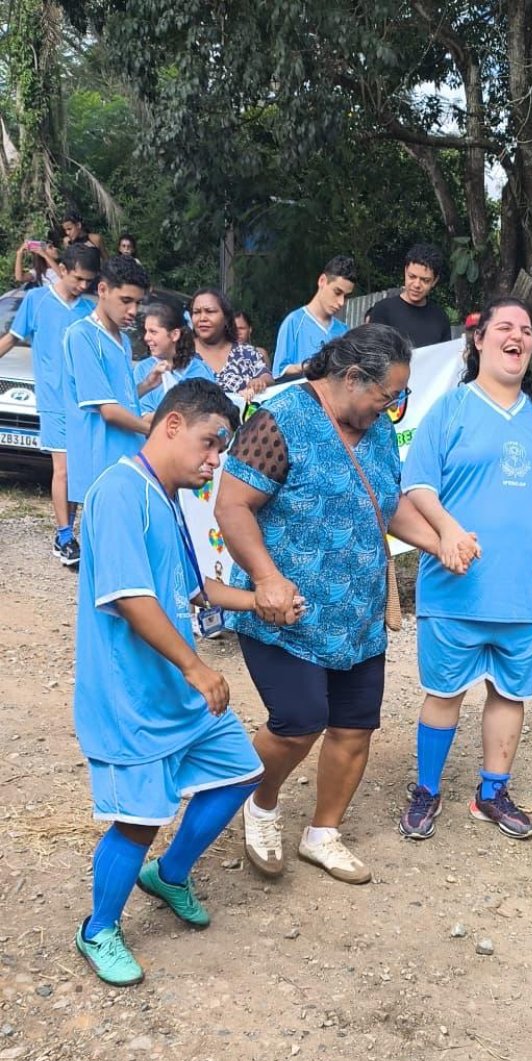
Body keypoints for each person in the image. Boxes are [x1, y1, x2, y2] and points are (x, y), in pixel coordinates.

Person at [215, 324, 476, 886]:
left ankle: (322, 834)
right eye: (387, 394)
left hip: (357, 618)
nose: (392, 406)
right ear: (351, 377)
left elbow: (384, 503)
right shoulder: (279, 419)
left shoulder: (376, 429)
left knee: (355, 728)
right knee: (297, 723)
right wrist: (266, 577)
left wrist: (440, 543)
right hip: (287, 614)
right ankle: (260, 802)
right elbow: (232, 505)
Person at [73, 380, 304, 987]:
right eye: (209, 444)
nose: (213, 460)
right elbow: (129, 597)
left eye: (220, 450)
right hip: (131, 697)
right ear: (171, 425)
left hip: (177, 693)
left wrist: (261, 600)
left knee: (241, 772)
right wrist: (196, 666)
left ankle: (169, 875)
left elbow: (195, 592)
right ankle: (98, 929)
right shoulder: (120, 491)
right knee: (138, 819)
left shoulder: (168, 497)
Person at [398, 295, 532, 842]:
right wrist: (449, 531)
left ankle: (492, 792)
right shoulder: (451, 409)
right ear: (478, 341)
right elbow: (418, 486)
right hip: (458, 586)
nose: (518, 336)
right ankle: (427, 791)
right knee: (444, 693)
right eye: (505, 327)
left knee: (511, 695)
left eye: (526, 330)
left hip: (525, 592)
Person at [0, 243, 100, 565]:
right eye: (79, 279)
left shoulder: (89, 311)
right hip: (53, 399)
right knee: (64, 469)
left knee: (78, 471)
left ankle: (67, 533)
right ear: (65, 269)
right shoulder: (36, 300)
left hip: (84, 403)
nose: (83, 286)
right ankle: (65, 535)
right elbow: (13, 338)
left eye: (89, 281)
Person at [63, 255, 157, 506]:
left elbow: (118, 397)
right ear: (103, 290)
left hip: (127, 456)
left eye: (138, 303)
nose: (133, 311)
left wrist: (146, 385)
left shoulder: (123, 341)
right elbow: (108, 411)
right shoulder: (82, 336)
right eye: (126, 301)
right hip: (101, 461)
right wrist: (155, 429)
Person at [272, 255, 356, 378]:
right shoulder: (294, 322)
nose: (341, 302)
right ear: (322, 281)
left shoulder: (344, 330)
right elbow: (279, 371)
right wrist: (310, 366)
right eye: (337, 292)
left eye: (346, 296)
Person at [366, 243, 452, 349]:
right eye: (412, 276)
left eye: (425, 280)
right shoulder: (383, 310)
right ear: (405, 271)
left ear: (434, 281)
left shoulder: (440, 318)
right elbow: (372, 353)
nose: (416, 285)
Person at [190, 288, 272, 399]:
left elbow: (267, 376)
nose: (202, 318)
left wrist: (260, 381)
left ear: (226, 317)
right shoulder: (183, 354)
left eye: (210, 311)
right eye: (196, 312)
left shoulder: (246, 353)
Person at [134, 301, 215, 412]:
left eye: (153, 332)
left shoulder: (200, 370)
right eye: (146, 331)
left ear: (175, 335)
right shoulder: (142, 369)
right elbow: (141, 414)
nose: (146, 337)